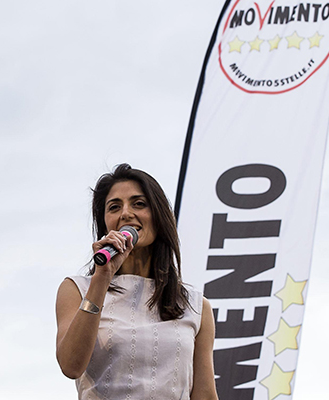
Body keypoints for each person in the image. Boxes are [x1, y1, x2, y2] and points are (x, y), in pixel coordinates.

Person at [55, 164, 218, 400]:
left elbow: (204, 394)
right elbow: (71, 365)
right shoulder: (77, 289)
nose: (126, 214)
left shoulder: (195, 306)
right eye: (114, 207)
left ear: (159, 216)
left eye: (139, 204)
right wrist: (102, 277)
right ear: (105, 223)